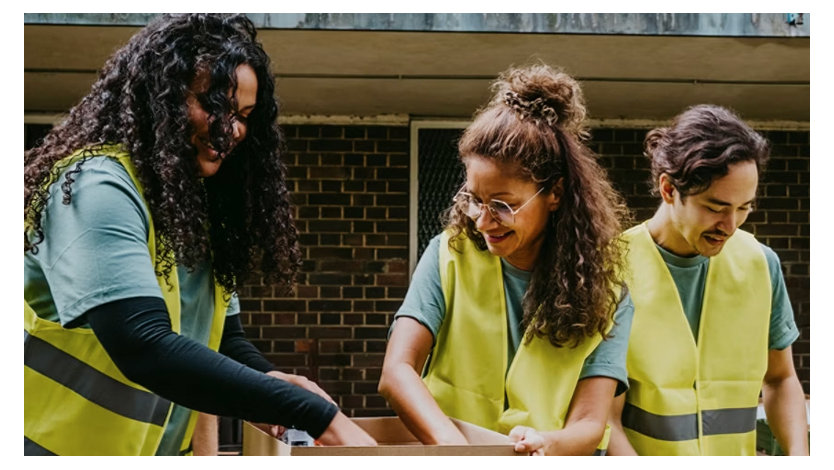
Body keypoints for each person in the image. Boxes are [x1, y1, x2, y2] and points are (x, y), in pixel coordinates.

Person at [23, 13, 376, 456]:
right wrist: (311, 413)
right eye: (214, 105)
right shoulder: (96, 185)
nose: (230, 130)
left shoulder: (194, 210)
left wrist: (268, 379)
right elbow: (142, 343)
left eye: (243, 116)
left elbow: (223, 341)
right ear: (161, 97)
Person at [378, 63, 634, 455]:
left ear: (555, 194)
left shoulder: (607, 294)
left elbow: (590, 422)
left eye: (502, 204)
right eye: (474, 199)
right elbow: (396, 373)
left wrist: (546, 443)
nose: (483, 220)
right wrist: (457, 452)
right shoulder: (448, 255)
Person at [606, 105, 809, 456]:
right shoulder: (610, 268)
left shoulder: (762, 264)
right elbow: (604, 417)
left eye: (744, 207)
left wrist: (800, 457)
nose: (730, 226)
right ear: (668, 189)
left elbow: (781, 378)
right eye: (716, 207)